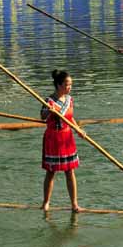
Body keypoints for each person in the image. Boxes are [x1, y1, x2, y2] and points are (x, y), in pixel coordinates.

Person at [40, 70, 85, 213]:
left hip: (67, 137)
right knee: (51, 172)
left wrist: (78, 129)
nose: (69, 87)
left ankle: (74, 204)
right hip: (53, 138)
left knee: (69, 171)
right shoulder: (49, 100)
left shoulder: (70, 99)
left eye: (70, 84)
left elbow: (70, 118)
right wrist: (49, 111)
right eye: (67, 84)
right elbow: (42, 117)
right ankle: (46, 202)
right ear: (59, 85)